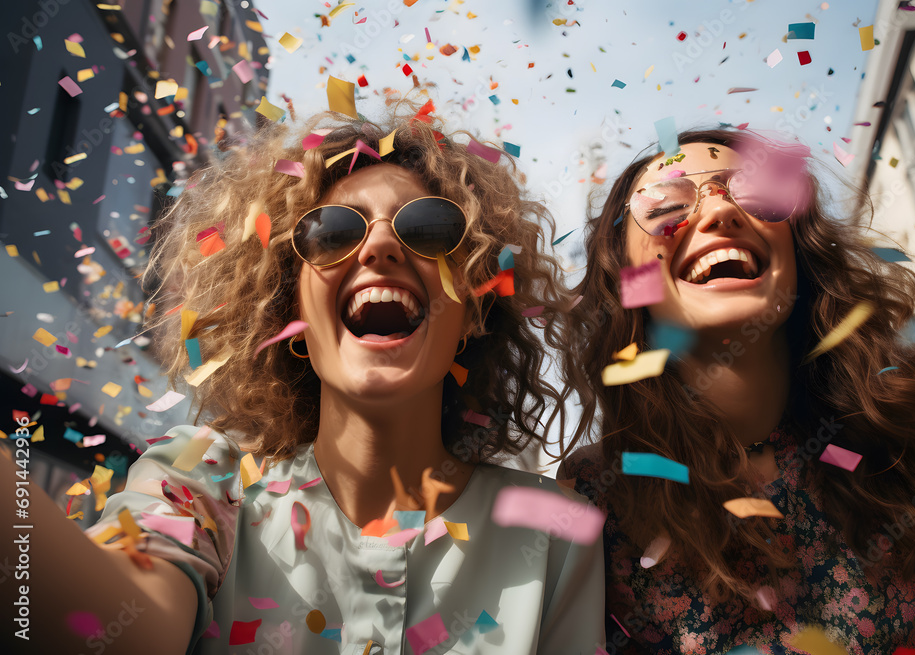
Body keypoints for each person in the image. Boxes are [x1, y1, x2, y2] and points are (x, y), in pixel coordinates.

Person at [4, 104, 605, 654]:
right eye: (333, 234)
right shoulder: (202, 480)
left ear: (475, 307)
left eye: (426, 229)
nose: (378, 248)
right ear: (288, 310)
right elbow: (119, 634)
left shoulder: (554, 530)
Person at [557, 127, 915, 654]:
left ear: (799, 249)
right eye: (664, 207)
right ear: (627, 279)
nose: (720, 213)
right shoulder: (595, 493)